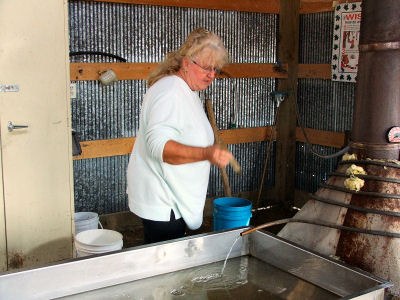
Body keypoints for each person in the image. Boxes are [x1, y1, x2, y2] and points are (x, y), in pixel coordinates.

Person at [126, 28, 233, 244]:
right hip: (165, 202)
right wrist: (206, 153)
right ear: (186, 63)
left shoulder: (185, 90)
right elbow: (160, 148)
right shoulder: (171, 91)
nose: (211, 75)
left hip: (172, 199)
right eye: (206, 67)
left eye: (215, 69)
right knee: (164, 268)